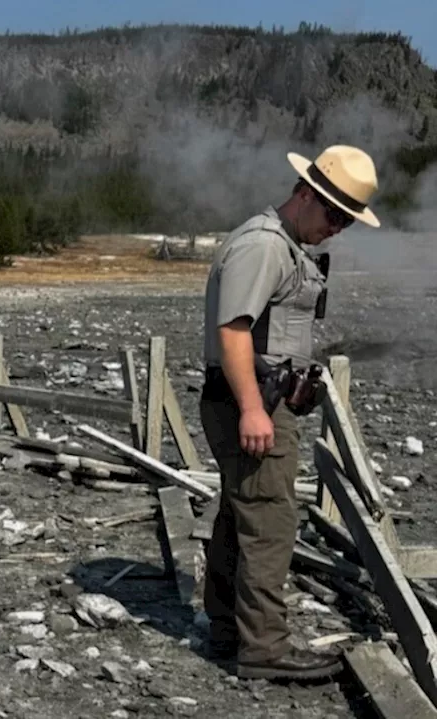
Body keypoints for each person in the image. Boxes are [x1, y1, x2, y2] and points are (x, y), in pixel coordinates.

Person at [199, 145, 380, 681]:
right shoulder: (265, 246)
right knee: (271, 520)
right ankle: (265, 649)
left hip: (257, 397)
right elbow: (232, 330)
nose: (338, 227)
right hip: (250, 401)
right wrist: (254, 409)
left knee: (242, 514)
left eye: (347, 219)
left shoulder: (283, 245)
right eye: (333, 214)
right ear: (305, 194)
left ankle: (229, 630)